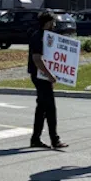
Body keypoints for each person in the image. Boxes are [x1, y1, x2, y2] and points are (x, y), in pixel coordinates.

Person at [28, 11, 68, 149]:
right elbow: (37, 59)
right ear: (47, 22)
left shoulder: (48, 37)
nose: (55, 24)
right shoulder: (38, 37)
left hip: (44, 76)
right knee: (50, 108)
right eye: (53, 21)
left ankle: (35, 139)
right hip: (40, 76)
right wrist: (50, 75)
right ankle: (55, 140)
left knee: (42, 108)